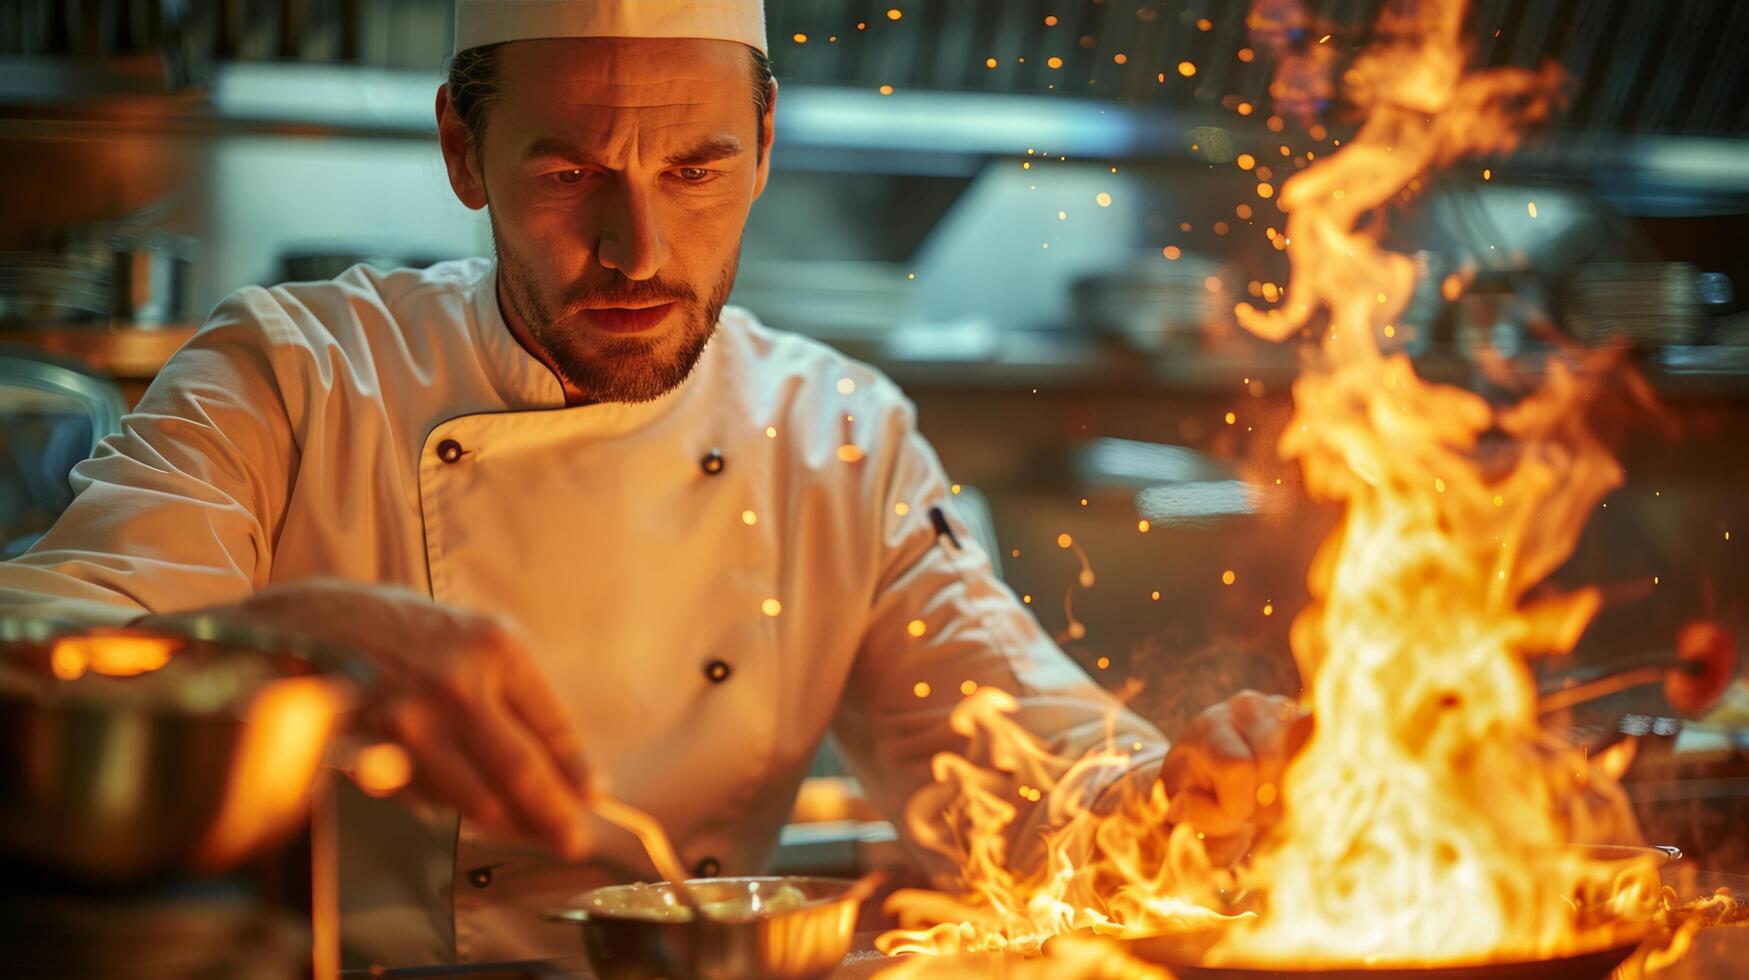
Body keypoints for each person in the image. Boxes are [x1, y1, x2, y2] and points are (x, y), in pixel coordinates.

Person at [0, 0, 1303, 967]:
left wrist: (1179, 797)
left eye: (696, 171)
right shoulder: (292, 372)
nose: (637, 249)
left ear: (766, 143)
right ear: (464, 151)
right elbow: (32, 655)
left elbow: (1029, 774)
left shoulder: (837, 433)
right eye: (569, 174)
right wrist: (277, 643)